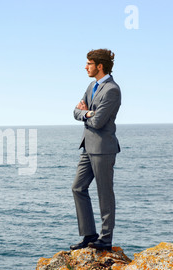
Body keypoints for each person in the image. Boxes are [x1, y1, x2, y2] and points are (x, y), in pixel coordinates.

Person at [70, 49, 121, 251]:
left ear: (99, 66)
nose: (85, 66)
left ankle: (105, 239)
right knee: (77, 188)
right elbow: (75, 111)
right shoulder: (92, 85)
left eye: (89, 63)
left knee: (104, 193)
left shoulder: (112, 90)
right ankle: (89, 234)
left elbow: (98, 122)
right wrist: (87, 112)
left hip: (103, 148)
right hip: (87, 147)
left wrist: (86, 112)